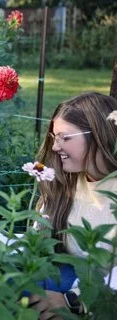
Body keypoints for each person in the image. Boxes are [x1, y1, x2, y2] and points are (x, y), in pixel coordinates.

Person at [29, 92, 117, 318]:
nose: (55, 147)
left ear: (98, 136)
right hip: (68, 279)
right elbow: (37, 245)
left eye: (64, 138)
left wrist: (71, 301)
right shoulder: (66, 181)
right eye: (53, 137)